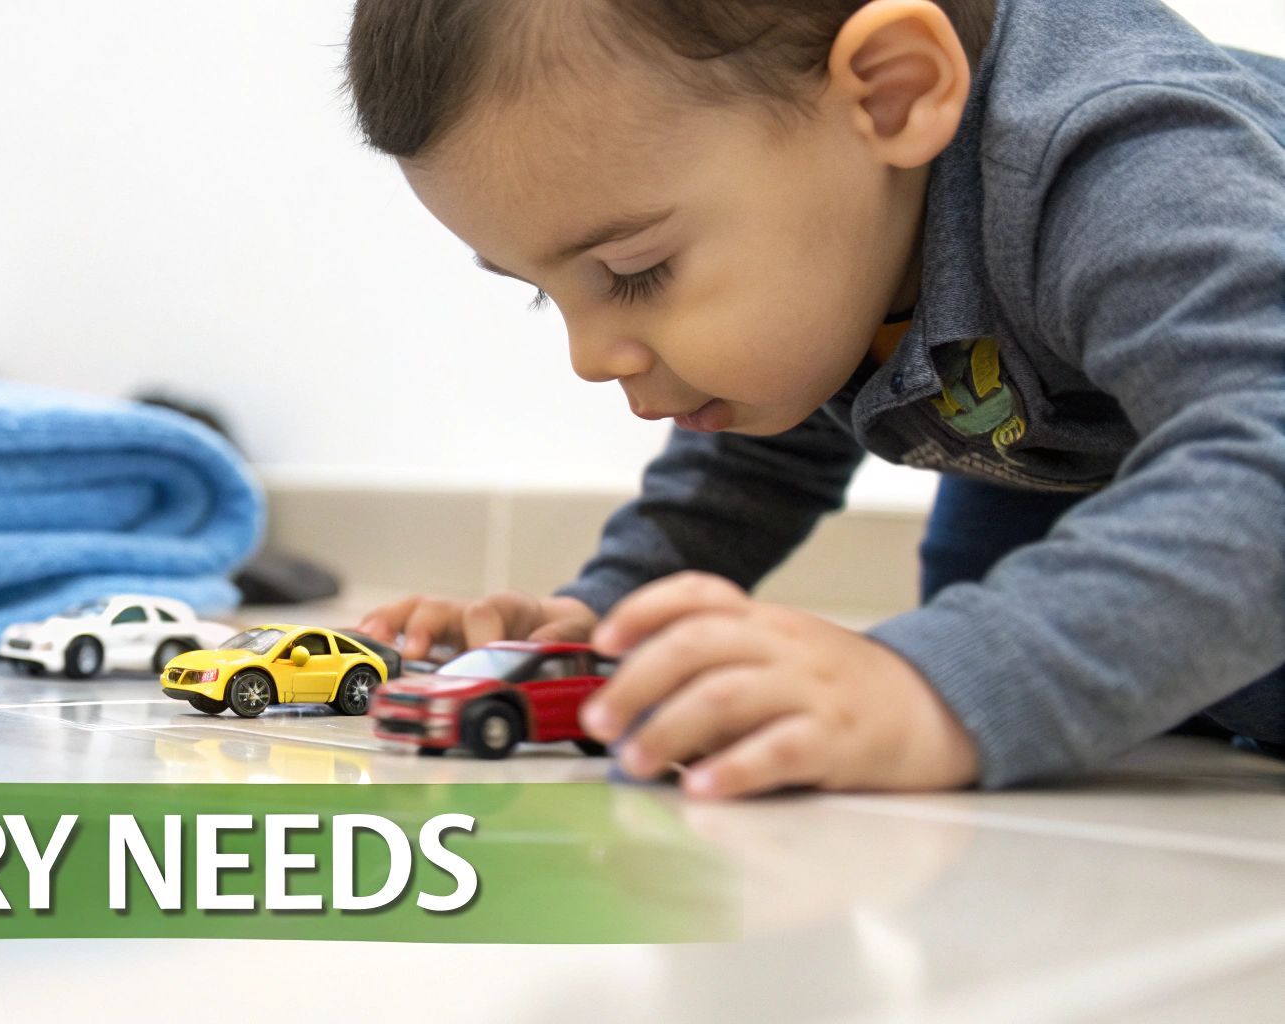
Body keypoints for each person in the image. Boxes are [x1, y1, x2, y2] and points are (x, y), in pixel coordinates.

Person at [346, 0, 1285, 797]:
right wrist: (605, 622)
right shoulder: (848, 229)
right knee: (980, 604)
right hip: (1087, 442)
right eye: (544, 291)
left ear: (892, 92)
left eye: (635, 270)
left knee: (973, 659)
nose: (590, 357)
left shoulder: (1127, 161)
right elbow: (758, 443)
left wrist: (936, 688)